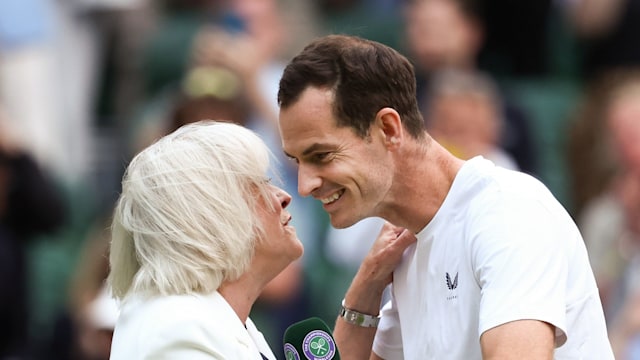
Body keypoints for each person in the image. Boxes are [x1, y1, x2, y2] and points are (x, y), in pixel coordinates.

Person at [277, 34, 613, 359]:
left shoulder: (509, 211)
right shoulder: (404, 250)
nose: (305, 186)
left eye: (321, 155)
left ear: (389, 129)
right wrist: (366, 285)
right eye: (297, 161)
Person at [108, 120, 303, 359]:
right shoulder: (180, 329)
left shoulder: (208, 317)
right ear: (210, 216)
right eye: (259, 187)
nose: (283, 197)